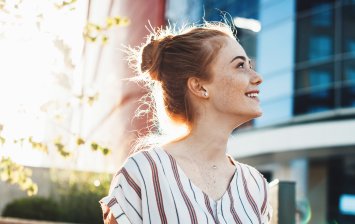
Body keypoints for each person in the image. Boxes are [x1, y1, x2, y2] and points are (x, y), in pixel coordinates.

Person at [100, 21, 273, 224]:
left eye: (250, 65)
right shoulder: (143, 171)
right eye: (240, 65)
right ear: (199, 86)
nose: (258, 77)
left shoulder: (255, 185)